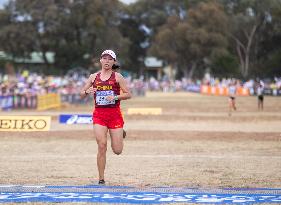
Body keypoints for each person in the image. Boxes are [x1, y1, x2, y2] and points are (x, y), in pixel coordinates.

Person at [80, 49, 131, 185]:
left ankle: (120, 133)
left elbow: (128, 94)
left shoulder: (118, 77)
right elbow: (81, 93)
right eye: (105, 58)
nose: (107, 61)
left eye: (110, 59)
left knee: (118, 150)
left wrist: (115, 96)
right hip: (99, 116)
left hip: (114, 115)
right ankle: (101, 179)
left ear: (114, 61)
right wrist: (86, 91)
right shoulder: (93, 77)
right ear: (100, 60)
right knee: (102, 145)